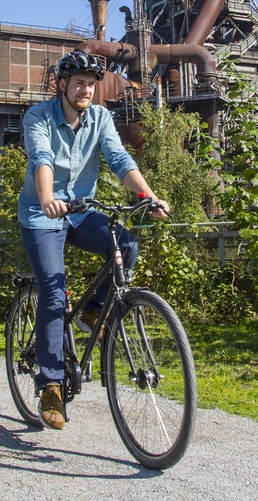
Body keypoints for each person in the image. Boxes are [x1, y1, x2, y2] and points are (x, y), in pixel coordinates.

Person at [18, 51, 169, 430]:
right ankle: (51, 383)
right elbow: (41, 158)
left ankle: (91, 312)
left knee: (127, 244)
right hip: (42, 214)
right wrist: (48, 198)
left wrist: (146, 197)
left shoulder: (101, 117)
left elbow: (119, 159)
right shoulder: (39, 116)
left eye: (91, 83)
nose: (86, 89)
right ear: (62, 85)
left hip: (82, 210)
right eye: (79, 82)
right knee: (53, 290)